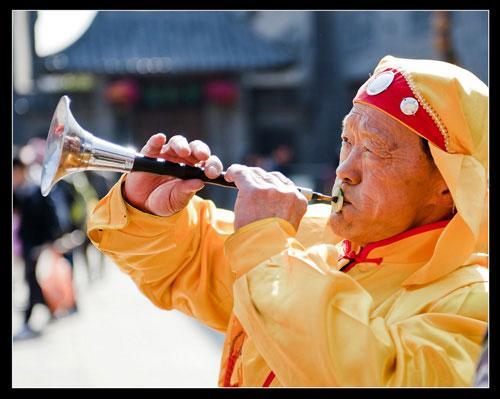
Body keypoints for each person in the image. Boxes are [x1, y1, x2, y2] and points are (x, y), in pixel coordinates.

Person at [87, 55, 488, 387]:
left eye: (376, 149)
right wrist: (150, 209)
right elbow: (194, 263)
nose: (345, 170)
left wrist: (267, 249)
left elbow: (379, 375)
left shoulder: (471, 300)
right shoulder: (308, 232)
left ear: (450, 186)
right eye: (347, 142)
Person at [13, 153, 62, 340]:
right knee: (33, 281)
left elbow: (49, 218)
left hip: (37, 245)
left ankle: (28, 319)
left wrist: (48, 243)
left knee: (32, 281)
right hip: (26, 244)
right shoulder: (18, 192)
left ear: (22, 170)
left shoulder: (36, 190)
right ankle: (50, 309)